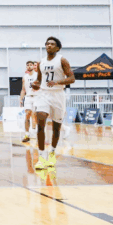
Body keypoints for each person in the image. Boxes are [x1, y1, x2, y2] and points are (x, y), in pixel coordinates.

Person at [34, 37, 75, 171]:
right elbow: (39, 81)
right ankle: (41, 157)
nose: (49, 46)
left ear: (57, 48)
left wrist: (57, 82)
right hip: (43, 94)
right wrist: (35, 85)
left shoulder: (62, 60)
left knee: (56, 128)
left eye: (52, 44)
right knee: (40, 123)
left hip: (58, 95)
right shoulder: (41, 62)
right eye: (47, 44)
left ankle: (52, 153)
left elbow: (71, 79)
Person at [21, 61, 40, 143]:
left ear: (33, 66)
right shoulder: (25, 77)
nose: (29, 66)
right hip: (28, 97)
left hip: (37, 97)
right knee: (27, 114)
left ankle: (35, 132)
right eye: (27, 65)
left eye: (30, 65)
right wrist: (21, 99)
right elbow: (23, 89)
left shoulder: (38, 75)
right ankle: (27, 134)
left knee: (35, 115)